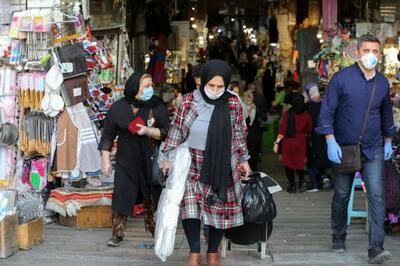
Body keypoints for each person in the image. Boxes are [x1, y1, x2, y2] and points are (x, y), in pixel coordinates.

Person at [162, 59, 251, 266]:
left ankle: (213, 251)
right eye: (211, 85)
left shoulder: (233, 103)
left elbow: (238, 133)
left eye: (220, 86)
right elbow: (177, 130)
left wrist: (244, 159)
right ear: (203, 82)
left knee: (219, 209)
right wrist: (167, 155)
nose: (215, 90)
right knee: (190, 208)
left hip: (223, 162)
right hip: (193, 162)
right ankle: (194, 251)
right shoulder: (188, 101)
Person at [316, 33, 395, 264]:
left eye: (375, 51)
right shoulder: (341, 79)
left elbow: (386, 113)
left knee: (377, 196)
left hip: (373, 147)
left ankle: (376, 249)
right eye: (366, 50)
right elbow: (327, 111)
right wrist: (330, 139)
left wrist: (389, 140)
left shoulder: (382, 82)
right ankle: (338, 237)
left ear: (379, 55)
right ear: (357, 53)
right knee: (341, 194)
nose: (371, 55)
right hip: (344, 146)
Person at [99, 73, 170, 247]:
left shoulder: (157, 105)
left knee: (151, 197)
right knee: (121, 195)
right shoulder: (118, 107)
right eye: (146, 86)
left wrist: (147, 131)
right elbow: (108, 135)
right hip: (126, 160)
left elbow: (167, 132)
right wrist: (105, 160)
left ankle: (156, 232)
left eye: (150, 85)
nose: (150, 89)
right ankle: (118, 233)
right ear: (134, 87)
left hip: (150, 159)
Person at [273, 93, 312, 193]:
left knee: (288, 164)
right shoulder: (307, 115)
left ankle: (292, 186)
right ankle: (301, 181)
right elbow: (309, 129)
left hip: (288, 142)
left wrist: (276, 143)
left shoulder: (287, 114)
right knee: (299, 164)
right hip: (301, 142)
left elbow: (282, 130)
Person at [304, 82, 331, 192]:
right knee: (322, 157)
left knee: (312, 159)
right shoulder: (324, 104)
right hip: (324, 135)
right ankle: (324, 177)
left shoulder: (308, 106)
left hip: (312, 136)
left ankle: (315, 184)